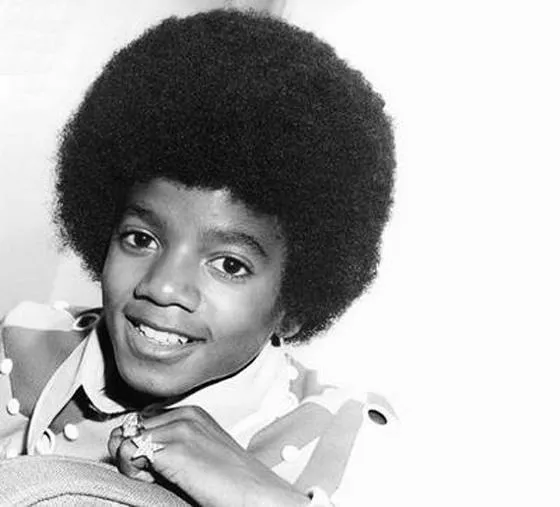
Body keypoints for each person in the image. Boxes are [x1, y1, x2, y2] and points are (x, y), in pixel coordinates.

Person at [0, 8, 396, 506]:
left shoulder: (347, 443)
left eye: (229, 265)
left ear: (295, 302)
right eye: (141, 239)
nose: (163, 286)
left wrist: (256, 495)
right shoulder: (19, 348)